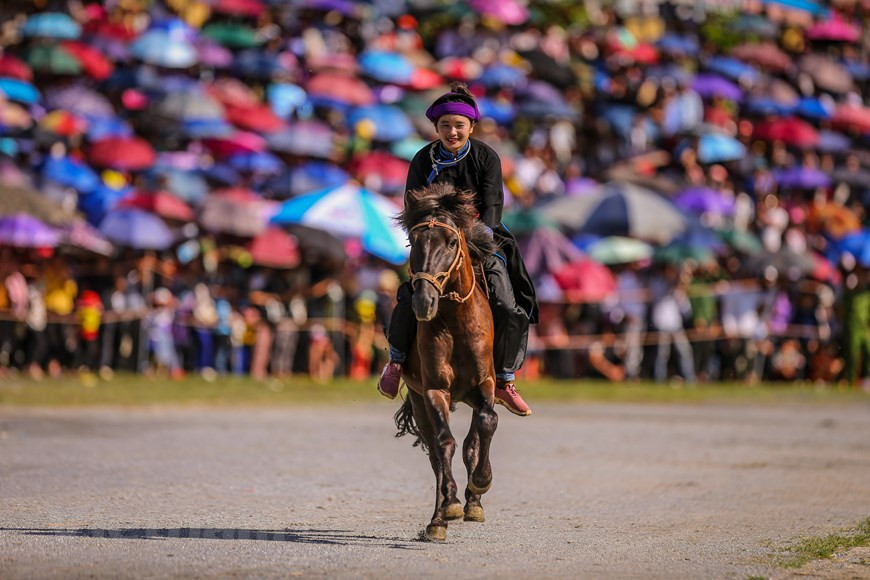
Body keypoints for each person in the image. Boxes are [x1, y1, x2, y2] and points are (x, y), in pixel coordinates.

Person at [376, 82, 539, 416]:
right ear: (436, 128)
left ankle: (505, 379)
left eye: (459, 125)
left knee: (507, 304)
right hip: (434, 241)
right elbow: (412, 205)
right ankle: (396, 362)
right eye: (445, 125)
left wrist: (473, 237)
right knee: (412, 292)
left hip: (481, 237)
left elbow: (493, 206)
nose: (452, 131)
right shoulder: (422, 159)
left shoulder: (486, 157)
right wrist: (430, 235)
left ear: (471, 127)